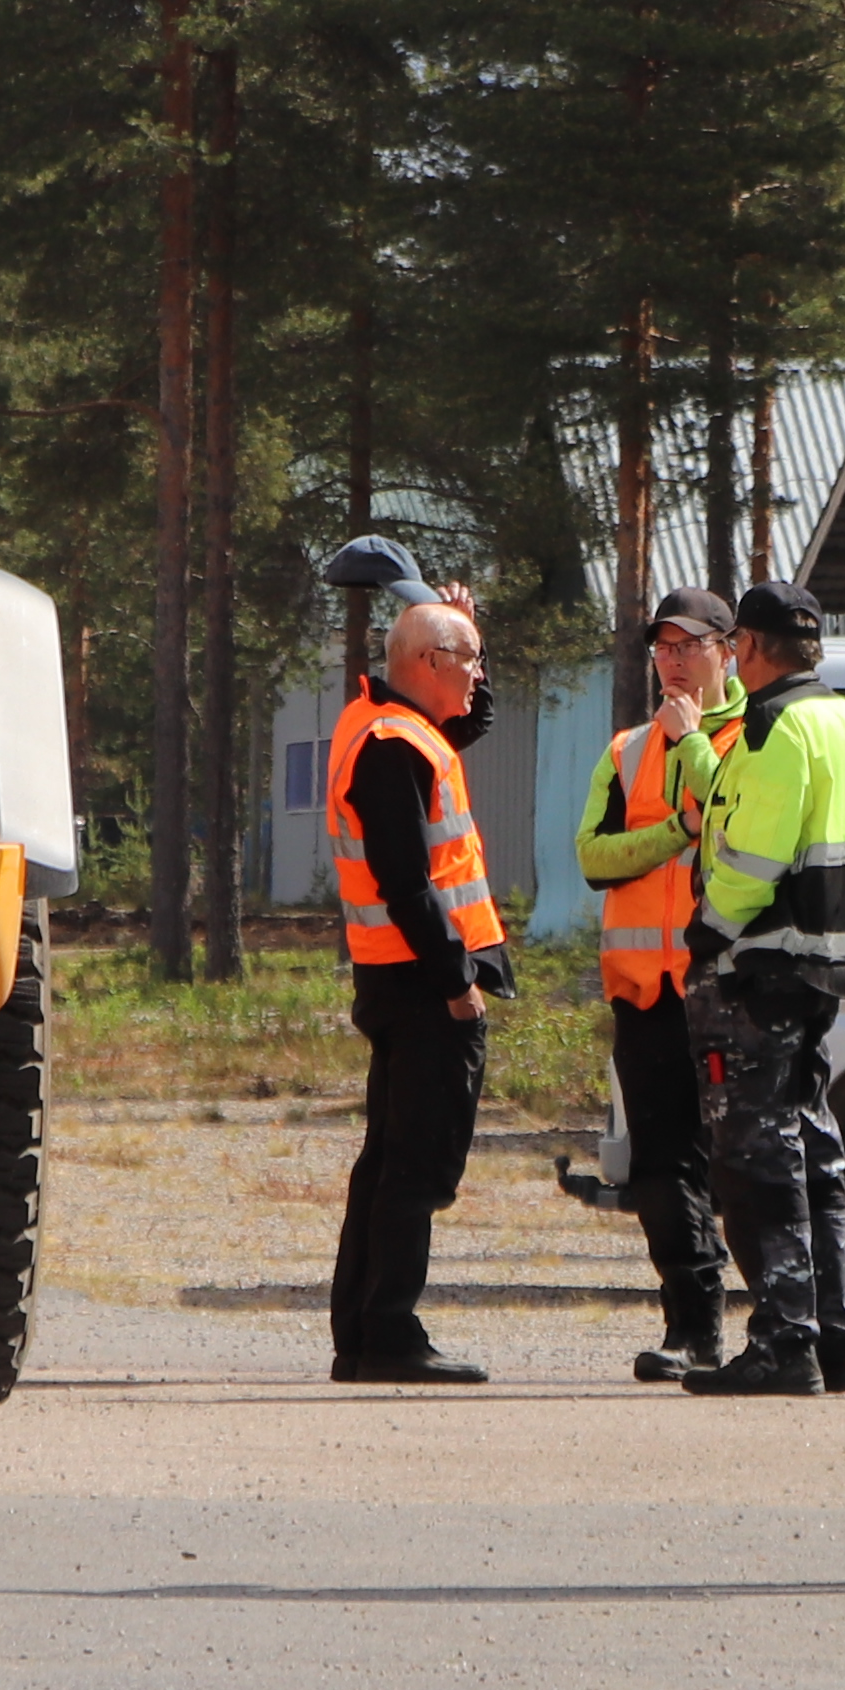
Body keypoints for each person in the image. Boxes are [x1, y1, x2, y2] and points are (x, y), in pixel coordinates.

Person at [680, 576, 845, 1398]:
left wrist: (706, 933)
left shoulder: (774, 725)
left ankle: (782, 1342)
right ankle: (834, 1337)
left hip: (762, 967)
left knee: (755, 1160)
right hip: (823, 966)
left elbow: (754, 856)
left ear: (751, 648)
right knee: (814, 1150)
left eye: (735, 644)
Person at [325, 591, 513, 1386]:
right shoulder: (393, 743)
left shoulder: (390, 723)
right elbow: (405, 882)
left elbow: (470, 718)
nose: (476, 674)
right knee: (416, 1166)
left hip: (396, 976)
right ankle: (389, 1333)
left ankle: (363, 1334)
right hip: (421, 982)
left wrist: (469, 632)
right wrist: (456, 981)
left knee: (388, 1162)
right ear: (429, 664)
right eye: (469, 659)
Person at [573, 587, 742, 1381]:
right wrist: (675, 831)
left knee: (744, 1163)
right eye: (662, 648)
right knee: (658, 1166)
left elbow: (740, 828)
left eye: (689, 646)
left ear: (728, 651)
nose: (672, 662)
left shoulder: (754, 737)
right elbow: (592, 857)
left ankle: (787, 1328)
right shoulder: (627, 751)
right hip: (645, 992)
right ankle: (691, 1327)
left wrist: (693, 748)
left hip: (727, 991)